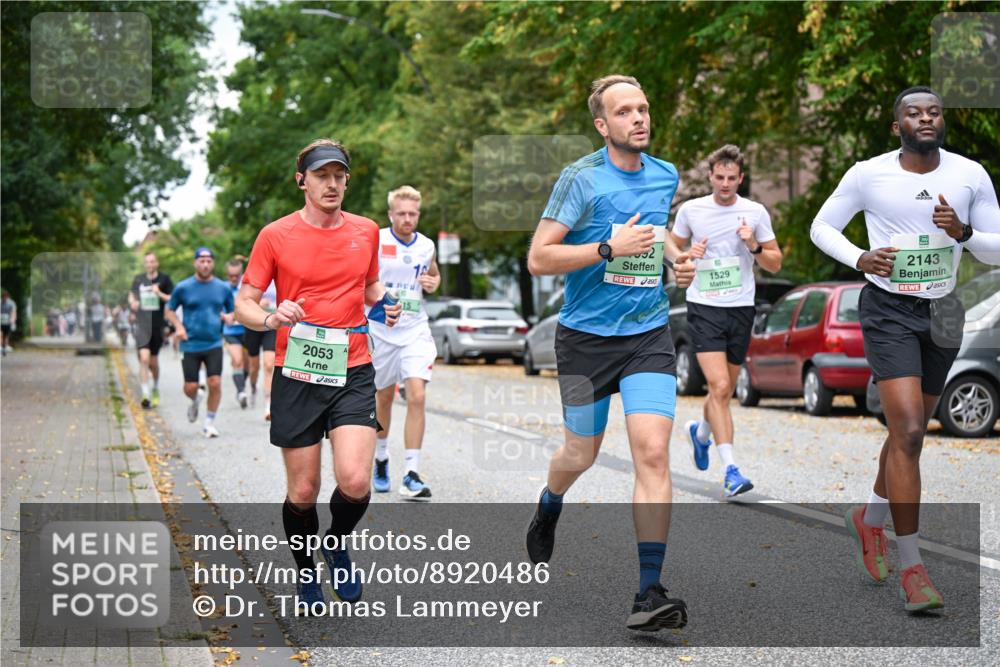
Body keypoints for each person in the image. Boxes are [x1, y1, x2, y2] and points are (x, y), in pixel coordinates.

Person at [811, 86, 1000, 612]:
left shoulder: (969, 175)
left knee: (907, 433)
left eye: (934, 111)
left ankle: (869, 519)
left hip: (942, 310)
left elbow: (997, 245)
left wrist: (961, 232)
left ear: (943, 121)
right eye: (914, 112)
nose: (925, 118)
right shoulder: (868, 173)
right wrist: (859, 258)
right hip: (889, 309)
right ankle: (913, 568)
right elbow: (821, 226)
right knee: (912, 431)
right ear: (898, 127)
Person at [525, 75, 696, 632]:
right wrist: (606, 248)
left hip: (647, 335)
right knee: (581, 453)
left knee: (652, 454)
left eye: (644, 109)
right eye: (625, 112)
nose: (639, 119)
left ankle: (649, 592)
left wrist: (676, 258)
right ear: (603, 125)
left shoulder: (665, 173)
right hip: (583, 342)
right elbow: (538, 258)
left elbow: (660, 231)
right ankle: (551, 501)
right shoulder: (580, 180)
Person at [235, 139, 401, 610]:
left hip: (352, 365)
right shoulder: (275, 235)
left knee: (354, 482)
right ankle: (306, 569)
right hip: (298, 369)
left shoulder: (367, 231)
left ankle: (337, 541)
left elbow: (368, 285)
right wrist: (270, 316)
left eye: (339, 176)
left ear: (347, 180)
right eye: (322, 175)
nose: (331, 184)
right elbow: (244, 303)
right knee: (303, 491)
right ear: (301, 180)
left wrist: (382, 302)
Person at [670, 144, 782, 497]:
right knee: (718, 387)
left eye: (732, 178)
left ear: (741, 179)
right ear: (710, 176)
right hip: (703, 306)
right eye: (719, 177)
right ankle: (731, 470)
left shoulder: (755, 212)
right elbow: (669, 248)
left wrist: (753, 245)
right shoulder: (692, 210)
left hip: (741, 308)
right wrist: (687, 255)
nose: (725, 184)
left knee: (725, 390)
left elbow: (775, 263)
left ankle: (700, 434)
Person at [370, 185, 441, 500]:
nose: (407, 219)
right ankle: (381, 458)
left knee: (417, 394)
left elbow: (434, 276)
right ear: (390, 214)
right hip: (382, 330)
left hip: (414, 329)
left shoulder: (426, 245)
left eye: (413, 214)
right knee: (383, 398)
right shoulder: (377, 241)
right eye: (401, 213)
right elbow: (362, 281)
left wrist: (432, 282)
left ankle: (411, 473)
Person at [165, 247, 234, 438]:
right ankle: (194, 400)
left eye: (208, 261)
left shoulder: (223, 288)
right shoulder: (183, 287)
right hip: (189, 344)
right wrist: (178, 327)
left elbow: (233, 310)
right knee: (191, 387)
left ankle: (209, 423)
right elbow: (169, 310)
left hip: (213, 343)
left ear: (213, 263)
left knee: (215, 382)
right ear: (195, 263)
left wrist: (229, 317)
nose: (205, 264)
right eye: (201, 261)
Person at [129, 252, 174, 408]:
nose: (150, 264)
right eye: (147, 261)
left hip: (157, 326)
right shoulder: (138, 279)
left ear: (157, 263)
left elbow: (172, 298)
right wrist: (133, 303)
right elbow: (131, 296)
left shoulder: (164, 279)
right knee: (144, 358)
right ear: (144, 264)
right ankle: (145, 394)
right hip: (142, 325)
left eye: (152, 261)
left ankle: (155, 387)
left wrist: (159, 293)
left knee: (153, 363)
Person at [244, 279, 278, 419]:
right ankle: (253, 386)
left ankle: (268, 405)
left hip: (272, 324)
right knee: (254, 366)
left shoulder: (280, 276)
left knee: (269, 365)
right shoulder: (250, 278)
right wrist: (257, 305)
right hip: (253, 325)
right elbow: (242, 303)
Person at [223, 257, 250, 409]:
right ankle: (241, 392)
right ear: (227, 275)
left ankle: (242, 383)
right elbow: (215, 307)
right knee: (237, 360)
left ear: (241, 274)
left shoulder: (246, 288)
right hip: (230, 331)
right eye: (231, 276)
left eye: (237, 275)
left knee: (247, 366)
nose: (234, 278)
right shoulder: (222, 288)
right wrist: (224, 316)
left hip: (246, 330)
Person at [1, 290, 16, 355]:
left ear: (8, 297)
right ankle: (1, 347)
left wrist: (12, 320)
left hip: (8, 322)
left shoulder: (11, 303)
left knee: (6, 336)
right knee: (1, 335)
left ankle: (5, 348)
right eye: (3, 297)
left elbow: (13, 312)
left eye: (6, 297)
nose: (4, 298)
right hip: (1, 322)